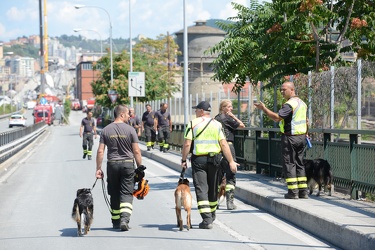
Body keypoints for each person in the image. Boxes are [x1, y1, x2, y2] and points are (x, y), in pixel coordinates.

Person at [180, 101, 238, 229]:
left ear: (201, 111)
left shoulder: (193, 124)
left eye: (196, 110)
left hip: (199, 160)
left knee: (201, 188)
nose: (195, 112)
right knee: (213, 188)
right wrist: (231, 161)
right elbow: (223, 144)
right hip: (215, 160)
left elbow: (187, 144)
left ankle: (206, 219)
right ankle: (212, 214)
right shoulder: (217, 124)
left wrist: (183, 159)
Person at [254, 81, 308, 199]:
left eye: (284, 89)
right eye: (281, 90)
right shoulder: (302, 103)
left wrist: (264, 109)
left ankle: (293, 192)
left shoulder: (289, 104)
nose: (282, 92)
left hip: (290, 137)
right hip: (301, 137)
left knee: (289, 164)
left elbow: (277, 118)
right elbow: (306, 120)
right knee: (300, 163)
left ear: (292, 90)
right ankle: (303, 191)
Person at [95, 105, 143, 231]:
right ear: (121, 115)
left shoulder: (106, 130)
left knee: (114, 193)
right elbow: (136, 151)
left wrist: (98, 168)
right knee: (126, 193)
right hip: (127, 164)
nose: (129, 116)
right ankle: (124, 220)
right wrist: (140, 168)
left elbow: (100, 151)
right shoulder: (130, 130)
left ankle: (116, 222)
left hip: (112, 164)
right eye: (128, 114)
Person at [214, 99, 245, 210]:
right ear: (223, 108)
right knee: (231, 174)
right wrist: (233, 116)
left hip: (217, 147)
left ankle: (216, 201)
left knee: (218, 175)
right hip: (228, 146)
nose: (231, 108)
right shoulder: (227, 118)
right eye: (229, 107)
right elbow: (242, 125)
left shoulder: (215, 118)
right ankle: (230, 202)